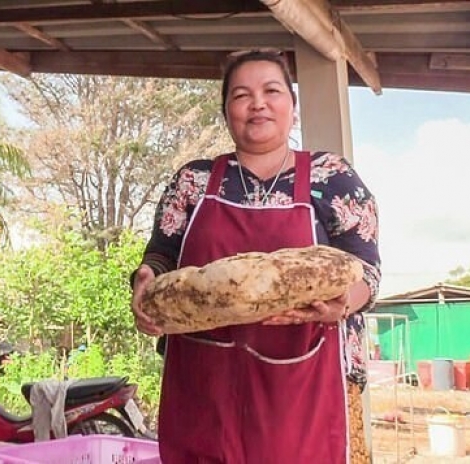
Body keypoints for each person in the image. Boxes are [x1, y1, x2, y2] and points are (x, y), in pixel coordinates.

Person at [130, 50, 381, 463]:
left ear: (292, 108)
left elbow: (367, 269)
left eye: (272, 91)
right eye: (242, 95)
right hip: (204, 391)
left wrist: (343, 302)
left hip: (305, 395)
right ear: (226, 112)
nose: (258, 103)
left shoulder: (333, 177)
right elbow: (162, 254)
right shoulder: (192, 181)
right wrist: (145, 279)